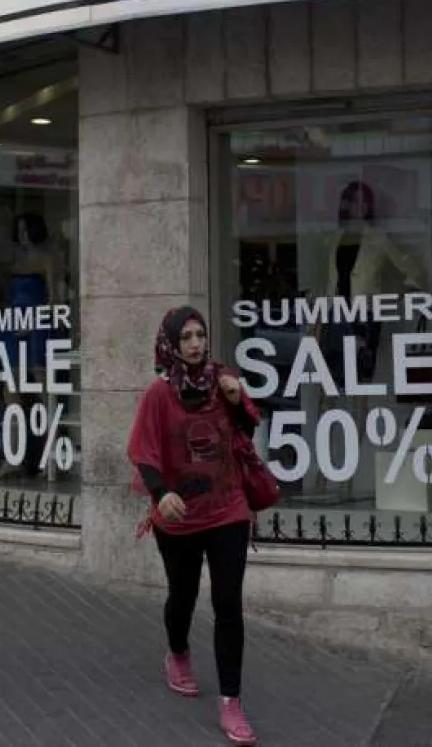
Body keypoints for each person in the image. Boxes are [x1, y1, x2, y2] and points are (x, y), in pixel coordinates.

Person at [127, 306, 262, 747]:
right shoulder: (158, 394)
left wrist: (237, 396)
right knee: (182, 595)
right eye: (185, 337)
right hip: (180, 515)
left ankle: (231, 702)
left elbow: (246, 430)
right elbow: (142, 452)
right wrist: (161, 493)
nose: (195, 344)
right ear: (171, 343)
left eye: (200, 335)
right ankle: (178, 653)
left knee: (228, 604)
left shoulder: (221, 381)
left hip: (228, 508)